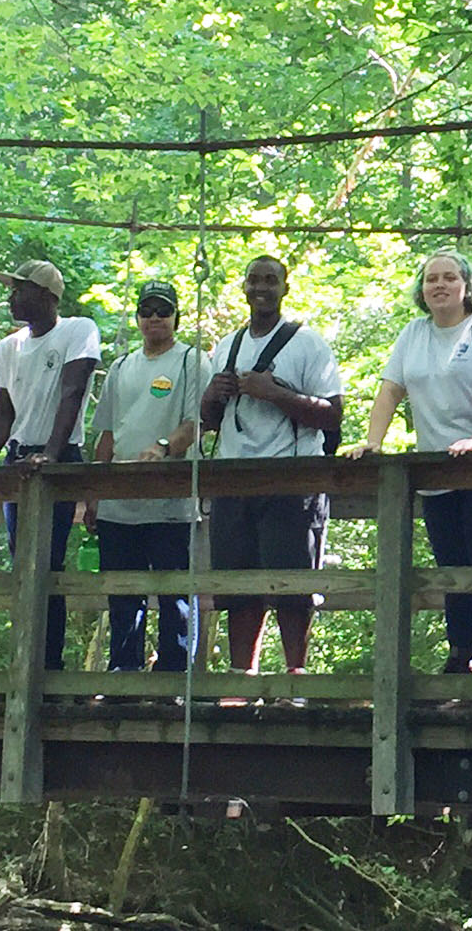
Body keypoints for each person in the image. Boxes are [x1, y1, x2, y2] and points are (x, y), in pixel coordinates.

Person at [345, 248, 472, 676]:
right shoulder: (413, 333)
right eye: (430, 279)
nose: (439, 285)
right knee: (450, 567)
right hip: (436, 470)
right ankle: (461, 656)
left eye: (448, 278)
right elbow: (390, 390)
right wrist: (372, 441)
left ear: (467, 287)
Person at [201, 255, 343, 679]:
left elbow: (332, 415)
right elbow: (209, 421)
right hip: (234, 478)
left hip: (293, 480)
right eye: (254, 280)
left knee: (293, 586)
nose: (261, 288)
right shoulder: (227, 346)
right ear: (243, 287)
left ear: (285, 287)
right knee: (238, 586)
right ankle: (243, 677)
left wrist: (274, 393)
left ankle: (295, 679)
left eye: (270, 280)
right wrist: (213, 394)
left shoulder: (308, 343)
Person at [0, 259, 101, 672]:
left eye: (20, 289)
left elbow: (73, 390)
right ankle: (25, 660)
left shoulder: (77, 331)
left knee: (46, 562)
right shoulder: (8, 347)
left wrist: (51, 452)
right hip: (18, 458)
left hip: (59, 457)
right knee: (22, 562)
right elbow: (3, 413)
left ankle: (47, 666)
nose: (11, 296)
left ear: (47, 296)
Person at [82, 281, 203, 675]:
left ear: (175, 318)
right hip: (120, 503)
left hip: (170, 502)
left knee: (175, 594)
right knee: (122, 593)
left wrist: (164, 448)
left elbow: (195, 424)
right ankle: (123, 672)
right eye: (147, 310)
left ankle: (174, 674)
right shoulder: (120, 367)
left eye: (162, 310)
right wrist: (95, 493)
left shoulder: (191, 361)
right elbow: (108, 435)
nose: (154, 318)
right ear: (137, 317)